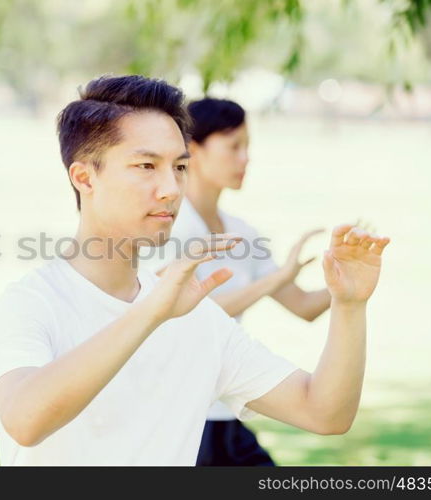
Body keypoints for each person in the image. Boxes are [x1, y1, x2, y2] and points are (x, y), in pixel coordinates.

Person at [0, 75, 390, 465]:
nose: (172, 189)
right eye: (146, 166)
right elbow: (24, 419)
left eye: (179, 167)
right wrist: (151, 312)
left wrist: (349, 305)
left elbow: (325, 413)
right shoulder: (33, 302)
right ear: (84, 177)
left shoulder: (197, 320)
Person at [152, 98, 333, 466]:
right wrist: (273, 281)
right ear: (193, 150)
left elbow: (304, 306)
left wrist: (346, 283)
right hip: (179, 419)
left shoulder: (242, 233)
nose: (245, 158)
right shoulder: (168, 227)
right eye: (234, 146)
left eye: (248, 147)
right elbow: (177, 311)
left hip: (226, 410)